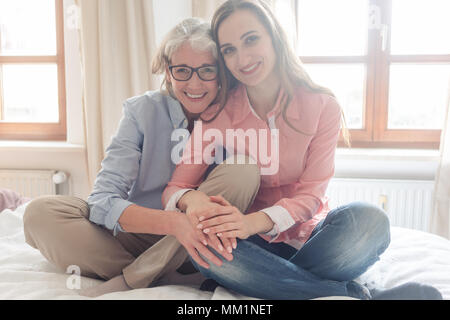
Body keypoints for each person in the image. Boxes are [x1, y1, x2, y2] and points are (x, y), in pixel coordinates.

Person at [161, 0, 443, 300]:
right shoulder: (218, 113)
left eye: (251, 39)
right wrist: (194, 201)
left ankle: (265, 281)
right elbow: (175, 188)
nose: (242, 58)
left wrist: (251, 223)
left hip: (309, 236)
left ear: (274, 37)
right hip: (249, 244)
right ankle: (357, 295)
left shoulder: (322, 106)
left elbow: (310, 196)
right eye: (229, 49)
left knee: (370, 221)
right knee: (203, 249)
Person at [22, 18, 255, 298]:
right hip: (140, 232)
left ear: (222, 74)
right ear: (168, 73)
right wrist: (175, 224)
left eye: (207, 70)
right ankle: (169, 273)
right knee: (40, 214)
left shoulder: (240, 114)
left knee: (244, 170)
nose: (194, 83)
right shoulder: (141, 111)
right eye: (182, 70)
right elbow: (103, 200)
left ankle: (137, 277)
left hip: (204, 235)